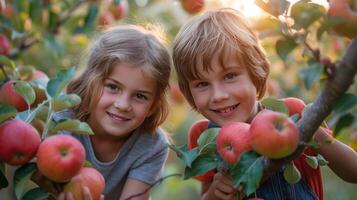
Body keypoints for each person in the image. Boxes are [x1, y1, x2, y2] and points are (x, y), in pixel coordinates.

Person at [172, 8, 357, 200]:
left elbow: (353, 172)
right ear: (188, 92)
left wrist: (310, 130)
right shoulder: (204, 137)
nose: (218, 96)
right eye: (202, 84)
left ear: (256, 74)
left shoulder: (291, 113)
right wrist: (215, 193)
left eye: (230, 76)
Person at [53, 24, 172, 200]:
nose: (123, 105)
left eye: (140, 96)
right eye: (113, 87)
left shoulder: (151, 146)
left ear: (153, 106)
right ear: (90, 83)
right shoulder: (60, 124)